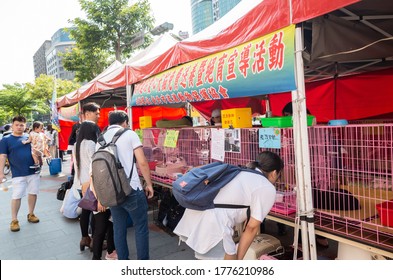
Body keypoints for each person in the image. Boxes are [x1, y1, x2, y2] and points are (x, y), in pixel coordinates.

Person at [174, 151, 283, 260]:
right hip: (213, 224)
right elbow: (251, 228)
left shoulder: (241, 172)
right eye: (278, 175)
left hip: (196, 214)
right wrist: (238, 260)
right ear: (274, 173)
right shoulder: (266, 186)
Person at [95, 110, 154, 260]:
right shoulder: (129, 134)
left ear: (109, 122)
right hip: (132, 189)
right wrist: (149, 184)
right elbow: (142, 162)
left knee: (118, 228)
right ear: (125, 122)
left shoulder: (100, 139)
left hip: (112, 191)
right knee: (140, 227)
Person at [74, 121, 117, 260]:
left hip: (83, 182)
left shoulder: (77, 144)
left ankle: (86, 239)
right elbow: (97, 165)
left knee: (88, 213)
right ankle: (98, 249)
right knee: (102, 221)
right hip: (94, 183)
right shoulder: (92, 144)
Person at [0, 116, 41, 232]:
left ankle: (31, 214)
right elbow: (2, 156)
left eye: (22, 125)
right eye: (17, 124)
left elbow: (38, 150)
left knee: (33, 193)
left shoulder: (31, 137)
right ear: (12, 125)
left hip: (33, 171)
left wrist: (39, 153)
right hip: (17, 173)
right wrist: (1, 173)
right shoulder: (6, 140)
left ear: (25, 126)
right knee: (16, 196)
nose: (19, 127)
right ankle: (14, 220)